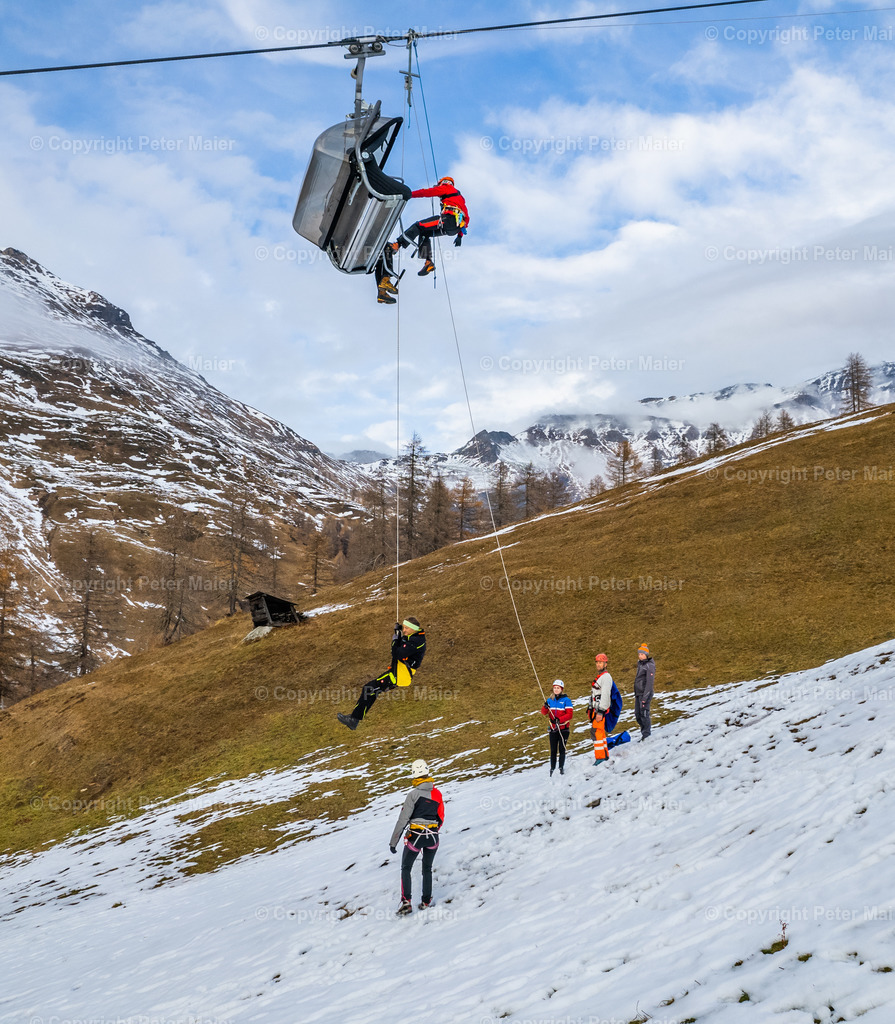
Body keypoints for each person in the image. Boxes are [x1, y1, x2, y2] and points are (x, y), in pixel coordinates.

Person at [378, 176, 469, 294]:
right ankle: (428, 262)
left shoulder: (447, 188)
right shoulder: (460, 198)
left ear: (444, 182)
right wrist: (460, 236)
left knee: (418, 226)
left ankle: (397, 244)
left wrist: (410, 194)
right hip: (454, 228)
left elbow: (427, 192)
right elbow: (467, 218)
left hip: (448, 219)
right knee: (425, 233)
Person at [337, 618, 426, 729]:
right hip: (397, 673)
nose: (404, 630)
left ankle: (354, 720)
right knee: (371, 690)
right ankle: (354, 719)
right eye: (403, 627)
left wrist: (394, 641)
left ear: (413, 628)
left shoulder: (416, 642)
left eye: (406, 628)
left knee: (369, 689)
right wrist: (398, 634)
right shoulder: (415, 637)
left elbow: (397, 653)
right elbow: (404, 644)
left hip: (399, 675)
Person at [390, 758, 444, 915]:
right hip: (433, 837)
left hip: (416, 836)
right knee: (427, 869)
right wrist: (433, 830)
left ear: (414, 775)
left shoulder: (412, 795)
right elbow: (441, 817)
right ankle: (426, 901)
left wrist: (393, 842)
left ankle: (406, 902)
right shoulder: (437, 793)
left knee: (406, 868)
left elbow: (403, 819)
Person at [540, 679, 573, 776]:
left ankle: (561, 767)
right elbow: (543, 712)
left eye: (558, 688)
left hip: (563, 729)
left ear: (561, 689)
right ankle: (552, 768)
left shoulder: (567, 700)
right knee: (553, 750)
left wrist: (559, 719)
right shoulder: (550, 700)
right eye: (555, 688)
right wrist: (545, 707)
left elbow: (569, 715)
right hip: (553, 730)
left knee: (562, 749)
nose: (556, 690)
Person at [587, 653, 613, 766]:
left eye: (600, 662)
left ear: (605, 664)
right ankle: (605, 754)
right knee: (600, 733)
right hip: (596, 710)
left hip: (599, 710)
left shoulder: (606, 677)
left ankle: (600, 757)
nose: (598, 664)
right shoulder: (602, 677)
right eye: (597, 662)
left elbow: (605, 695)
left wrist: (601, 711)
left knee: (596, 733)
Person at [634, 643, 656, 739]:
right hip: (638, 693)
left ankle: (646, 735)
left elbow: (649, 683)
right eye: (639, 654)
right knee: (638, 715)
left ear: (646, 655)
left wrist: (645, 697)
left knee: (644, 714)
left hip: (645, 694)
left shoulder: (649, 666)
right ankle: (644, 732)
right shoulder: (641, 664)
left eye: (642, 654)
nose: (640, 656)